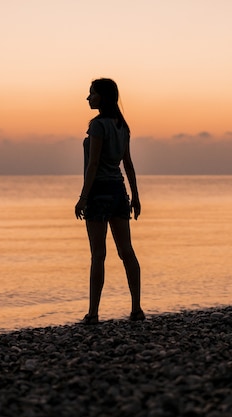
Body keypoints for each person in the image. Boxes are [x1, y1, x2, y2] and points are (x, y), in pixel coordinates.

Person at [75, 78, 144, 325]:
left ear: (102, 97)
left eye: (91, 93)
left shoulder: (98, 126)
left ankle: (93, 314)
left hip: (98, 193)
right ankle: (136, 309)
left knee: (98, 255)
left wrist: (83, 198)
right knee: (127, 252)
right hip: (118, 192)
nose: (88, 98)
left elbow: (93, 164)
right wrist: (135, 196)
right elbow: (128, 164)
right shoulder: (122, 126)